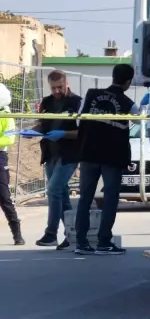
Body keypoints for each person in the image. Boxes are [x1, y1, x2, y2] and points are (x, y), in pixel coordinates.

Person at [74, 64, 135, 255]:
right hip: (112, 157)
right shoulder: (128, 103)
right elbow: (142, 120)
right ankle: (104, 242)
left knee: (85, 198)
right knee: (110, 199)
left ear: (113, 77)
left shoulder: (91, 94)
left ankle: (81, 243)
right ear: (128, 82)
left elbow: (78, 121)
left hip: (89, 153)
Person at [34, 71, 81, 249]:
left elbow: (83, 132)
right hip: (50, 154)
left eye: (60, 87)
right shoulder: (46, 102)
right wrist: (33, 131)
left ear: (66, 83)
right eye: (53, 88)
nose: (57, 91)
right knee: (61, 194)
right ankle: (73, 234)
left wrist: (63, 134)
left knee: (53, 190)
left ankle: (50, 233)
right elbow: (42, 124)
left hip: (68, 154)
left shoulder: (76, 102)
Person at [0, 84, 23, 245]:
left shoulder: (5, 114)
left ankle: (17, 233)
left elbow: (9, 138)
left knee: (4, 197)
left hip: (0, 156)